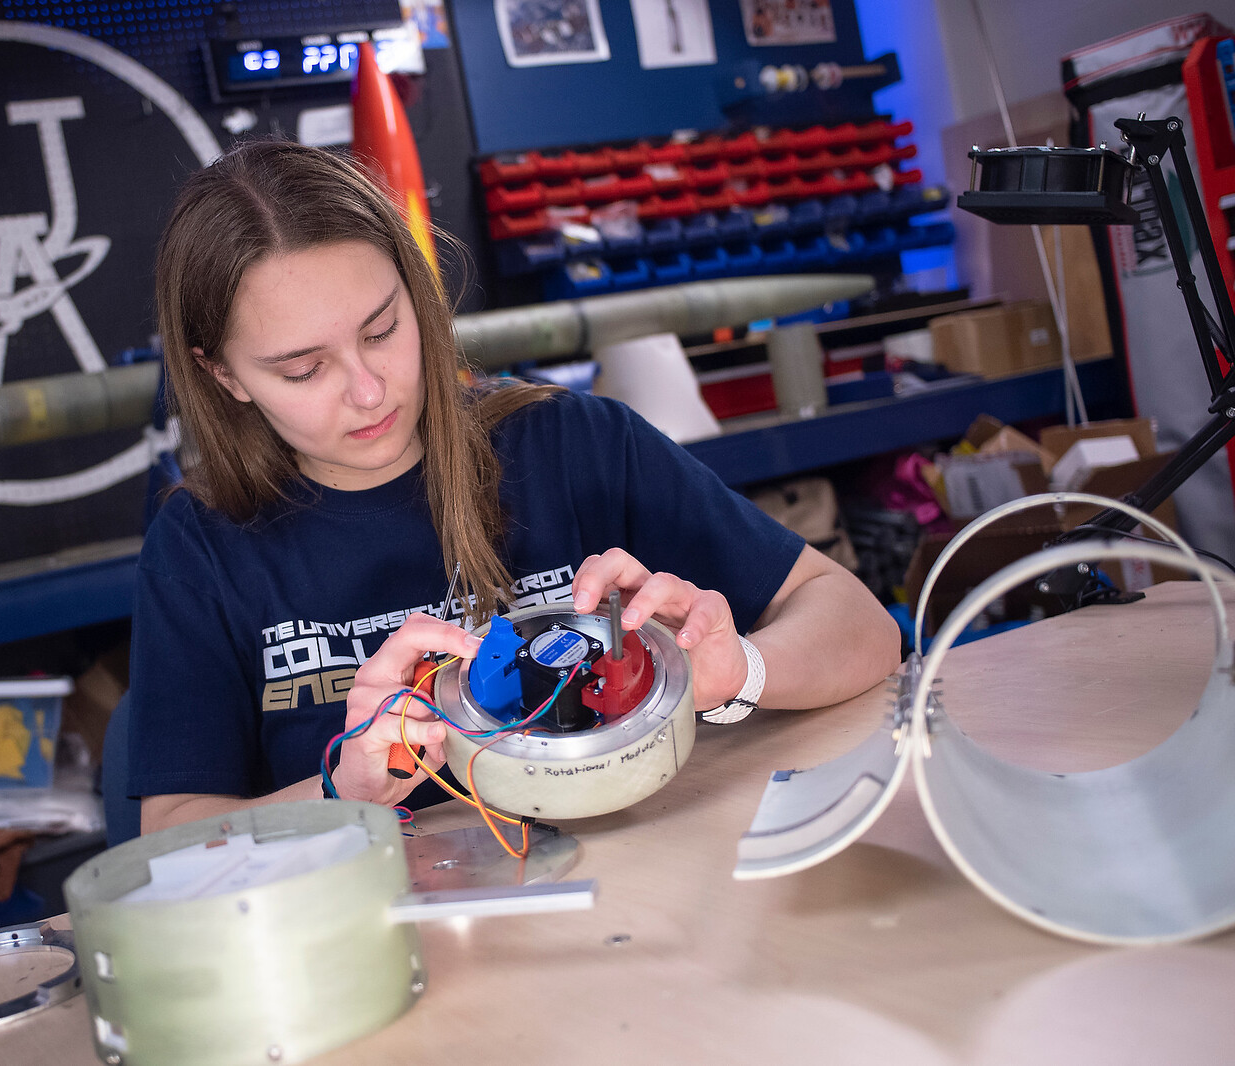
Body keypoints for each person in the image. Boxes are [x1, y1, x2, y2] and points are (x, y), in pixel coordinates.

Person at [128, 139, 899, 834]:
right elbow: (172, 839)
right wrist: (342, 791)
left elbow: (865, 629)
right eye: (303, 369)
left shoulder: (577, 444)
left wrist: (737, 674)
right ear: (222, 373)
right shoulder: (203, 545)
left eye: (381, 330)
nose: (368, 391)